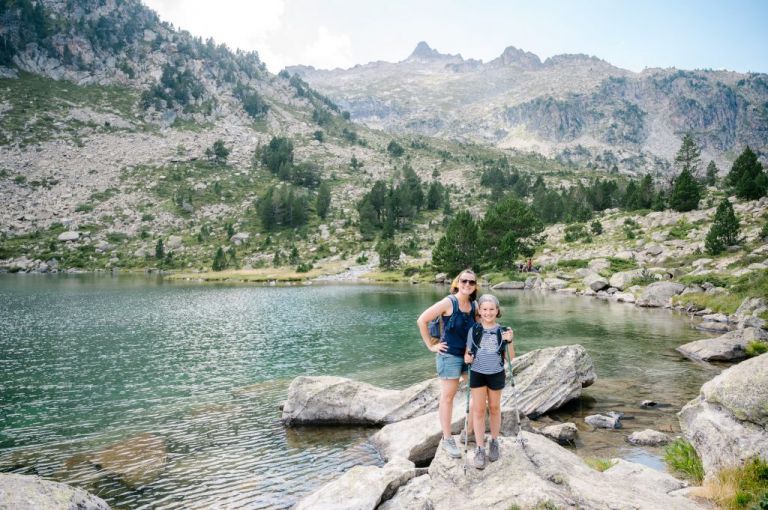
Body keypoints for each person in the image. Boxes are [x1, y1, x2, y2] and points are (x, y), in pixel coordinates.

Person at [417, 269, 479, 458]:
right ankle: (447, 439)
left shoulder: (474, 305)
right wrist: (431, 346)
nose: (467, 284)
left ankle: (467, 433)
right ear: (457, 282)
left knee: (478, 397)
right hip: (449, 356)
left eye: (471, 282)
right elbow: (422, 320)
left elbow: (478, 329)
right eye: (464, 281)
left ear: (475, 286)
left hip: (469, 356)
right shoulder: (448, 302)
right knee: (448, 398)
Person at [464, 294, 514, 469]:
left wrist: (510, 341)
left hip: (496, 373)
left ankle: (494, 441)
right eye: (484, 309)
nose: (488, 312)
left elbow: (510, 357)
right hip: (477, 373)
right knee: (478, 410)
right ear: (479, 311)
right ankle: (479, 448)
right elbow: (467, 353)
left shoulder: (504, 330)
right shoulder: (474, 330)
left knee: (494, 407)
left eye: (491, 309)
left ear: (497, 311)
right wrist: (467, 359)